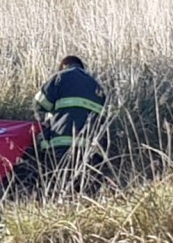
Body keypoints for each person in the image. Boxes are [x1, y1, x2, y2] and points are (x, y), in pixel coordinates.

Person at [20, 55, 107, 195]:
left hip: (60, 144)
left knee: (56, 186)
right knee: (82, 189)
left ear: (63, 66)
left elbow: (38, 104)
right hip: (89, 150)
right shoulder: (97, 86)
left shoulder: (60, 77)